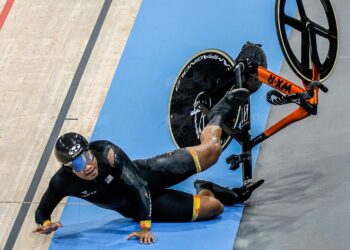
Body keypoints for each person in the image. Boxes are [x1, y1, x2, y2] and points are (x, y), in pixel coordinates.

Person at [33, 88, 263, 244]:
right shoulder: (62, 182)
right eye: (77, 164)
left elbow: (140, 185)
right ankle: (205, 187)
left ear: (91, 149)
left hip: (149, 175)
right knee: (214, 208)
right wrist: (46, 224)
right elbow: (42, 210)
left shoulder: (105, 151)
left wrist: (145, 227)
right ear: (68, 168)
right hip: (135, 207)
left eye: (86, 156)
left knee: (213, 150)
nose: (87, 165)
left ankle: (218, 114)